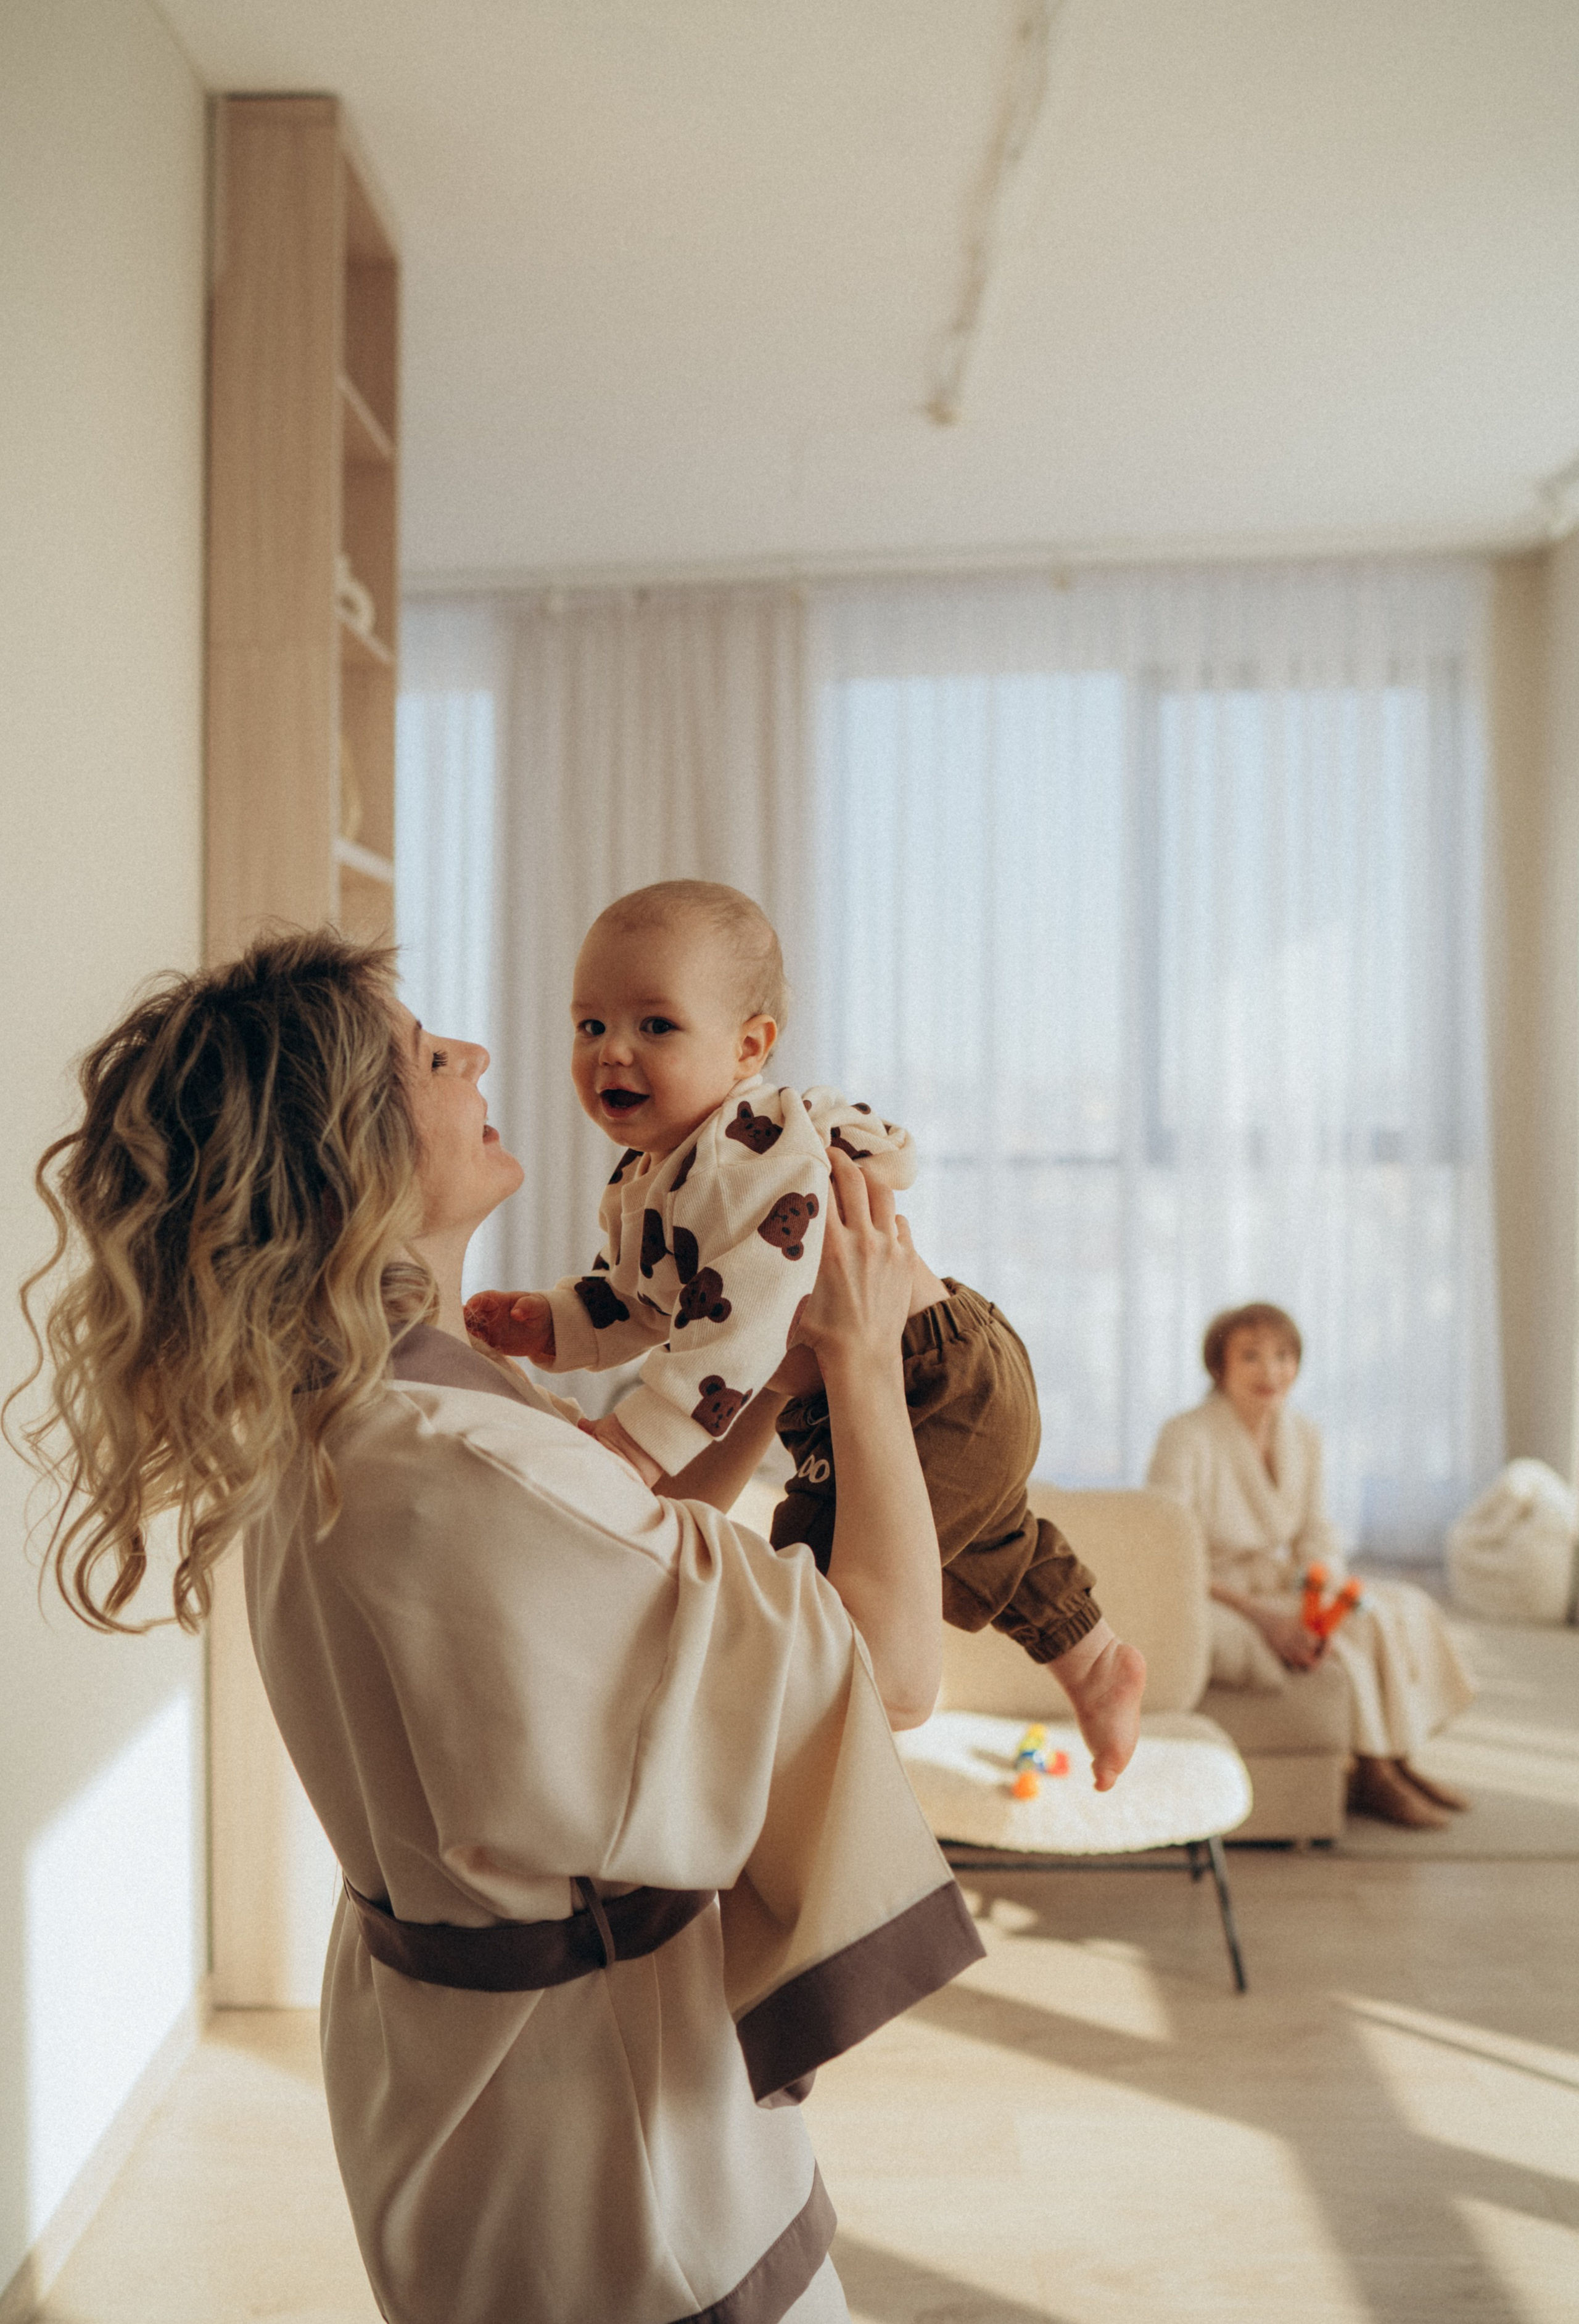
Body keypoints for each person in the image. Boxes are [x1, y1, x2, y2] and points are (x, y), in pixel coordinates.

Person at [14, 928, 996, 2324]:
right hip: (608, 2144)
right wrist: (862, 1363)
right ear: (350, 1151)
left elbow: (636, 1520)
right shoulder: (459, 1463)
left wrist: (777, 1393)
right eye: (425, 1053)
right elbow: (885, 1663)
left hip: (458, 2083)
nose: (477, 1054)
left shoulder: (354, 1411)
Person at [466, 879, 1145, 1786]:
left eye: (655, 1026)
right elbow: (642, 1297)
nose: (612, 1052)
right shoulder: (653, 1173)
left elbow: (743, 1310)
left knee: (818, 1587)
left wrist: (640, 1442)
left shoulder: (753, 1151)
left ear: (749, 1047)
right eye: (590, 1026)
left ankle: (820, 1811)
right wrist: (555, 1324)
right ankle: (1094, 1660)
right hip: (873, 1388)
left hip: (935, 1377)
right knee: (979, 1542)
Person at [1145, 1302, 1477, 1831]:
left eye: (1283, 1356)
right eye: (1250, 1356)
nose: (1270, 1371)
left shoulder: (1304, 1435)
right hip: (1217, 1588)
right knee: (1357, 1633)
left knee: (1399, 1608)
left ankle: (1400, 1757)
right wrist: (1267, 1617)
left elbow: (1318, 1531)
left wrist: (1321, 1589)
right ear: (1219, 1366)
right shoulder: (1187, 1435)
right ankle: (1373, 1772)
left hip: (1286, 1581)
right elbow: (1166, 1547)